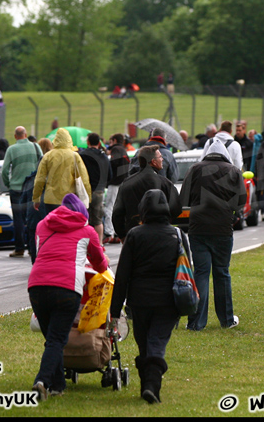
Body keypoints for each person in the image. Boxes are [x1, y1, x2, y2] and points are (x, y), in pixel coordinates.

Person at [110, 189, 186, 404]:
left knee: (146, 344)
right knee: (156, 344)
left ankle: (149, 386)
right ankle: (150, 386)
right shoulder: (177, 235)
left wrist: (114, 310)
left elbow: (122, 275)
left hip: (139, 301)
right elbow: (189, 269)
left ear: (143, 210)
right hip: (168, 301)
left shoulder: (135, 235)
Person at [28, 193, 108, 400]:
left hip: (36, 286)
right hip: (66, 287)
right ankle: (42, 380)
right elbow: (100, 265)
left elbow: (39, 254)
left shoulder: (42, 226)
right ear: (82, 214)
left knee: (52, 339)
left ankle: (58, 385)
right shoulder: (87, 231)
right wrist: (103, 258)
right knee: (56, 339)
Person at [180, 139, 246, 331]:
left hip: (198, 227)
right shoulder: (233, 171)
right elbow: (241, 200)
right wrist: (230, 211)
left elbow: (184, 198)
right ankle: (226, 319)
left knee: (201, 272)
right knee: (222, 272)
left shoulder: (194, 169)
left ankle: (196, 322)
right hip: (223, 228)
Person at [112, 145, 182, 240]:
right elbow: (176, 209)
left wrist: (122, 235)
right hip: (160, 234)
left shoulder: (127, 183)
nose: (162, 159)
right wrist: (164, 223)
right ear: (153, 162)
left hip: (134, 235)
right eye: (160, 157)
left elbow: (117, 213)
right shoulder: (165, 183)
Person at [2, 126, 42, 257]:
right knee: (31, 218)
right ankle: (32, 248)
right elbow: (42, 164)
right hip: (31, 188)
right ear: (26, 135)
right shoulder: (36, 147)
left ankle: (19, 248)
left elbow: (4, 170)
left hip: (16, 188)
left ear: (15, 136)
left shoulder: (11, 149)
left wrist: (9, 184)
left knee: (18, 219)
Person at [32, 128, 91, 216]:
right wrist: (87, 197)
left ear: (55, 140)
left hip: (51, 199)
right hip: (70, 199)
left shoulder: (47, 156)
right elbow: (84, 179)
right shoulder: (75, 156)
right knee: (69, 226)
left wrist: (36, 198)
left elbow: (40, 179)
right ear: (69, 140)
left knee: (53, 225)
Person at [79, 132, 112, 242]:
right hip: (99, 190)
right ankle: (99, 243)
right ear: (99, 143)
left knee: (85, 218)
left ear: (88, 142)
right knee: (98, 220)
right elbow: (110, 175)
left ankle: (86, 243)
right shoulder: (104, 157)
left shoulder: (82, 155)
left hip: (85, 191)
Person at [102, 133, 130, 244]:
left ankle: (109, 233)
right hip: (123, 183)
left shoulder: (116, 150)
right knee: (119, 208)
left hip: (115, 183)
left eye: (110, 141)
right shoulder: (123, 149)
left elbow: (112, 165)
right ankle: (118, 232)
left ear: (114, 140)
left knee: (109, 207)